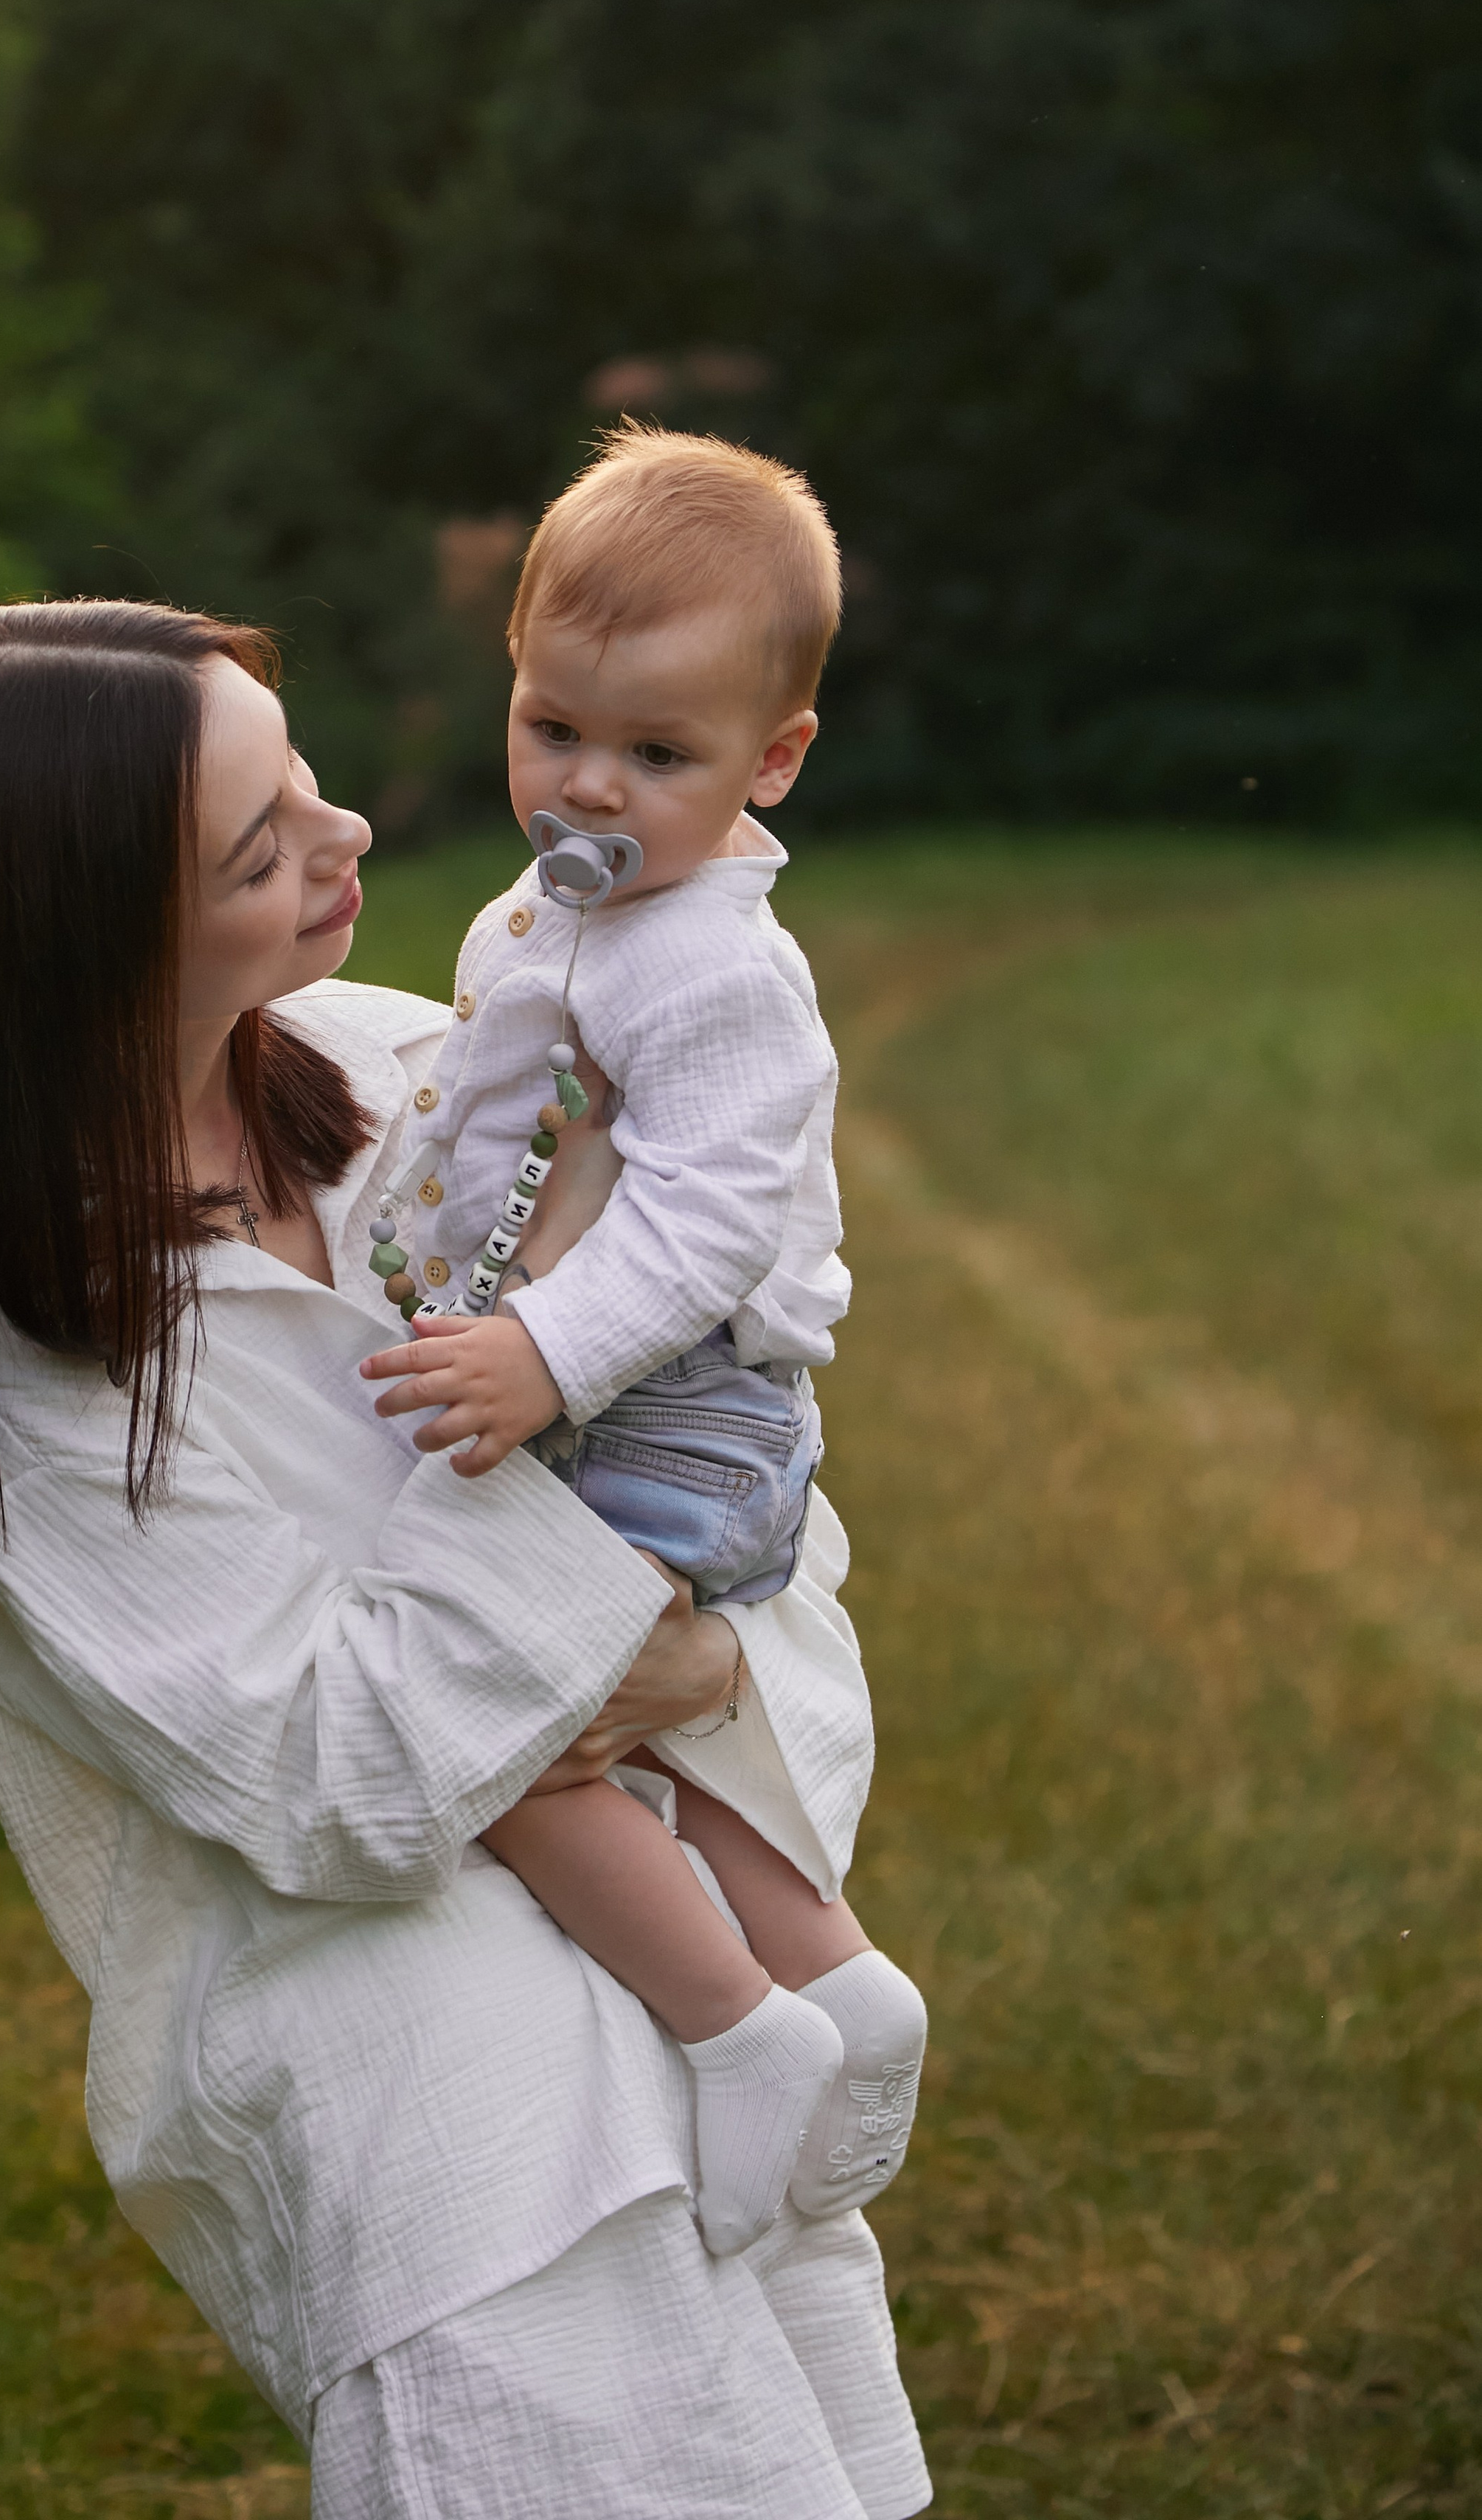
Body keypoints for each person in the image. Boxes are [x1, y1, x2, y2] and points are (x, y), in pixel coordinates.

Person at [0, 597, 931, 2520]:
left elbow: (744, 1472)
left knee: (794, 2453)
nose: (347, 843)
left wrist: (701, 1662)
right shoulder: (35, 1383)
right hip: (432, 2090)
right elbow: (334, 1775)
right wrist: (618, 1627)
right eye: (262, 849)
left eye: (305, 781)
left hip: (682, 1976)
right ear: (75, 953)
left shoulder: (415, 1067)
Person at [359, 428, 928, 2257]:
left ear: (773, 762)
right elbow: (490, 1111)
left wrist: (536, 1352)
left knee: (502, 1722)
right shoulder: (542, 910)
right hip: (589, 1384)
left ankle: (733, 2032)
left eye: (657, 756)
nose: (586, 787)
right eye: (551, 730)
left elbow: (700, 1226)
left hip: (682, 1410)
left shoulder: (721, 974)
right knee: (650, 1738)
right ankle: (833, 1984)